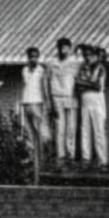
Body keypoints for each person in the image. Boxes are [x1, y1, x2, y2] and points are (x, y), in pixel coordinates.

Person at [44, 36, 81, 168]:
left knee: (71, 128)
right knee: (59, 128)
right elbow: (47, 83)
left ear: (70, 49)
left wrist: (77, 97)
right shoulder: (51, 63)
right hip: (56, 97)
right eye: (61, 48)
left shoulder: (75, 63)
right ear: (57, 48)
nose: (63, 50)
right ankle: (61, 155)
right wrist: (49, 101)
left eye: (66, 48)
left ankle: (71, 154)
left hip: (71, 97)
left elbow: (79, 81)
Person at [75, 46, 108, 171]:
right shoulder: (82, 67)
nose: (87, 58)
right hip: (85, 100)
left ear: (95, 56)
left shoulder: (100, 68)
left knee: (99, 131)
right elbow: (77, 85)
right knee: (85, 131)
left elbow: (98, 86)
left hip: (97, 101)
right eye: (85, 55)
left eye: (90, 55)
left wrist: (84, 83)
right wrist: (88, 84)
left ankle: (102, 161)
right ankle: (86, 160)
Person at [19, 46, 49, 168]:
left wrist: (46, 103)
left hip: (37, 102)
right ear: (28, 57)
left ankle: (42, 159)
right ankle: (32, 159)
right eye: (31, 57)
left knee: (39, 132)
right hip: (26, 102)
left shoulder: (41, 70)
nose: (33, 59)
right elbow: (24, 86)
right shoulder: (24, 70)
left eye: (36, 57)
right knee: (29, 132)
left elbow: (45, 87)